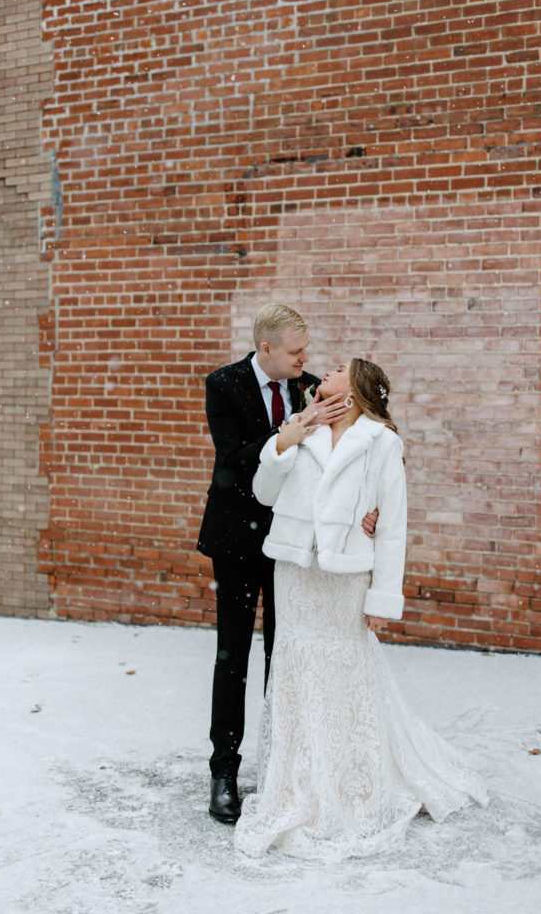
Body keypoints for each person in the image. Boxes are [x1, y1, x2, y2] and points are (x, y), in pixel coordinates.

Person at [233, 358, 488, 859]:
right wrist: (286, 440)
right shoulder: (303, 426)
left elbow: (392, 524)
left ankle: (350, 779)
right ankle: (299, 780)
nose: (323, 371)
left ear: (356, 389)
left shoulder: (380, 442)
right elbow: (264, 493)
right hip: (296, 574)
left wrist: (381, 599)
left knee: (347, 673)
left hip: (346, 577)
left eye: (336, 369)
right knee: (297, 671)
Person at [197, 305, 375, 824]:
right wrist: (290, 433)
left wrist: (371, 509)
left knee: (285, 654)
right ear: (266, 349)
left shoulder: (316, 387)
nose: (307, 359)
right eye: (296, 351)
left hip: (295, 546)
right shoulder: (223, 385)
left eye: (307, 350)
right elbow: (230, 459)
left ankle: (280, 767)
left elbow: (357, 452)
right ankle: (224, 771)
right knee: (232, 658)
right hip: (235, 541)